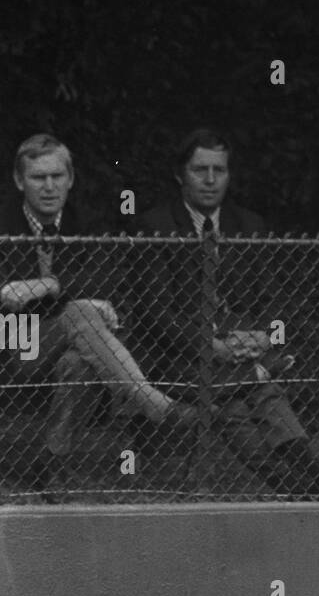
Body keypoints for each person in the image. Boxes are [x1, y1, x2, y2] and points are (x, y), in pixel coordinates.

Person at [136, 128, 319, 494]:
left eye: (218, 170)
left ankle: (297, 479)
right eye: (199, 170)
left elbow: (270, 299)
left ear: (228, 174)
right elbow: (155, 312)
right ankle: (308, 467)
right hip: (181, 358)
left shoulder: (248, 225)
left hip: (238, 353)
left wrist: (264, 334)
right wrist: (211, 346)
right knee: (252, 392)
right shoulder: (156, 226)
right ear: (180, 174)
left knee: (236, 403)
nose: (209, 180)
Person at [0, 133, 193, 458]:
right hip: (15, 343)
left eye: (57, 176)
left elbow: (108, 274)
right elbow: (8, 297)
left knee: (80, 363)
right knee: (80, 312)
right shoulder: (3, 224)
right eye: (38, 177)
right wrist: (75, 298)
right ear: (20, 181)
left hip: (75, 343)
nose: (49, 186)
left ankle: (49, 463)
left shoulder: (88, 222)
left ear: (70, 178)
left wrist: (49, 285)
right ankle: (152, 403)